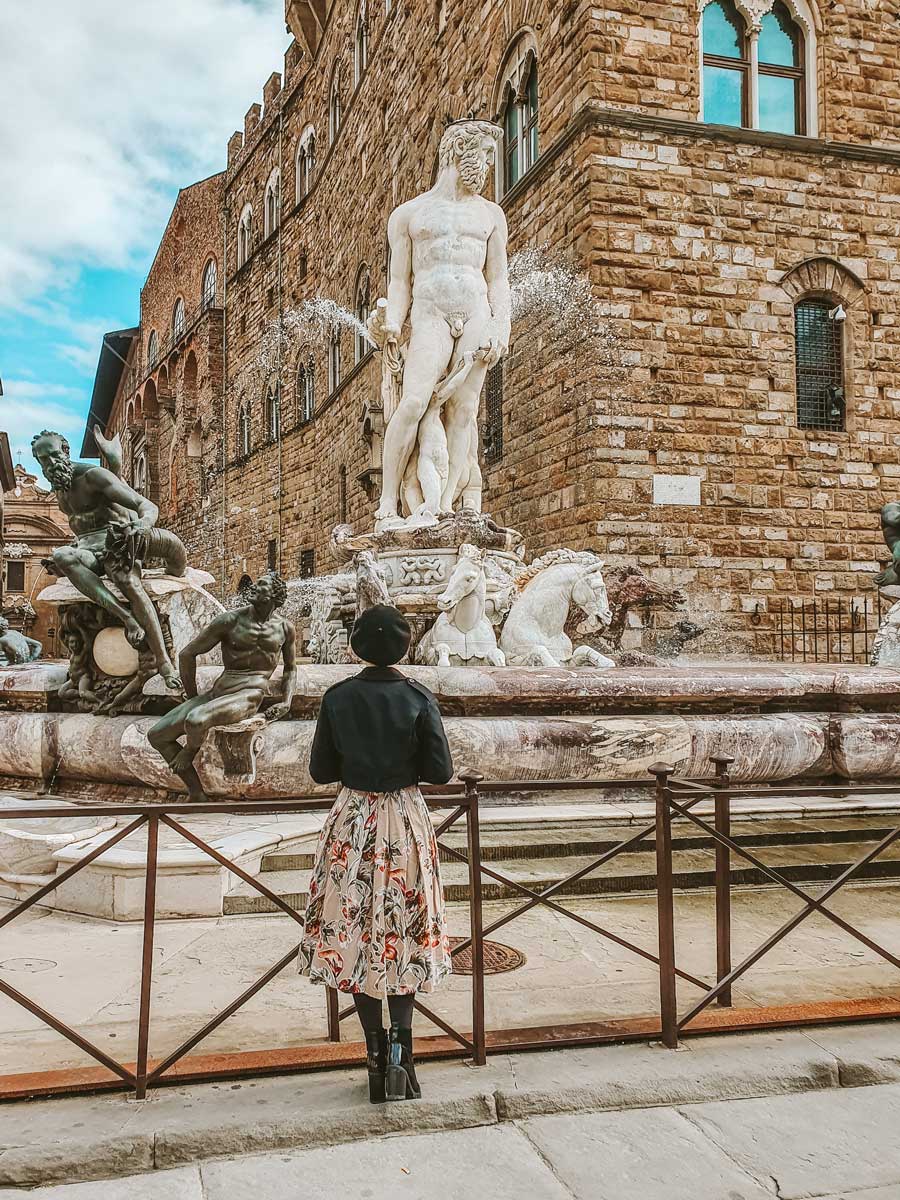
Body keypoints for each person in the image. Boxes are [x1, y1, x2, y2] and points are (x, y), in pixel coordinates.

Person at [297, 604, 454, 1103]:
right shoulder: (418, 697)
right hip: (404, 822)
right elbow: (441, 771)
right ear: (405, 648)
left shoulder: (337, 698)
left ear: (354, 647)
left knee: (356, 929)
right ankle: (401, 1057)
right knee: (402, 926)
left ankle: (371, 1054)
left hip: (354, 822)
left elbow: (321, 771)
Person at [30, 429, 186, 689]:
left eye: (54, 455)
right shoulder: (60, 489)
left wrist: (144, 525)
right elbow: (82, 531)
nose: (50, 463)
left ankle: (164, 662)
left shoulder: (92, 476)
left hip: (118, 543)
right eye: (44, 460)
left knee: (128, 583)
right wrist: (69, 552)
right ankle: (126, 618)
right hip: (89, 551)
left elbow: (144, 505)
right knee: (61, 555)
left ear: (66, 452)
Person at [147, 572, 296, 800]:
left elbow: (290, 668)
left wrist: (287, 701)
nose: (253, 586)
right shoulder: (230, 620)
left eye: (262, 585)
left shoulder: (285, 629)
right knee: (157, 735)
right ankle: (197, 793)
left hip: (249, 695)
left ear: (274, 595)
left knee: (196, 720)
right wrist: (191, 695)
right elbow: (188, 654)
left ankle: (189, 753)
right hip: (218, 693)